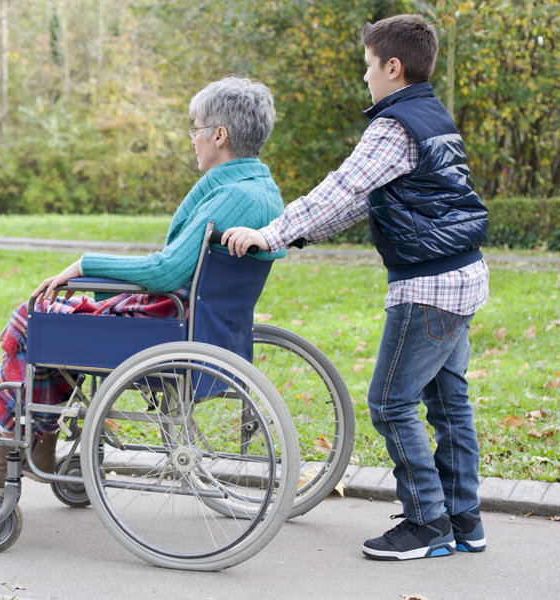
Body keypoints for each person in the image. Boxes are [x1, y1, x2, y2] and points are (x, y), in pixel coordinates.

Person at [0, 75, 286, 487]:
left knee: (33, 317)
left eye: (196, 128)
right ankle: (35, 440)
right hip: (201, 321)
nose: (193, 139)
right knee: (52, 317)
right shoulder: (260, 189)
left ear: (219, 134)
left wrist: (84, 266)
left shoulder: (232, 196)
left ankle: (8, 447)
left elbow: (165, 272)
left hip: (169, 323)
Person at [223, 14, 488, 561]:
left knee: (390, 403)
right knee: (448, 401)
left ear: (393, 67)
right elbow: (365, 200)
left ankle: (426, 524)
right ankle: (463, 518)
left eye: (368, 66)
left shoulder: (395, 127)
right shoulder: (432, 115)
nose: (365, 77)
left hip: (429, 286)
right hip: (464, 274)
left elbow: (342, 190)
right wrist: (294, 237)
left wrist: (270, 232)